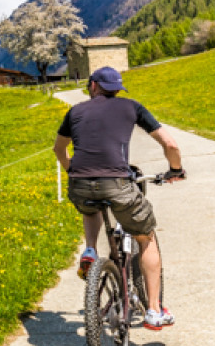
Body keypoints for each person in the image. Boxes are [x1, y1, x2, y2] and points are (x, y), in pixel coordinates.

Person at [53, 66, 185, 330]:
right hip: (117, 183)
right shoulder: (132, 107)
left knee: (90, 207)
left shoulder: (75, 111)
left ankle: (90, 249)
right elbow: (170, 145)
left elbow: (59, 149)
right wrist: (175, 170)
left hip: (80, 184)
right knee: (145, 237)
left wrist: (74, 171)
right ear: (117, 89)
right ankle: (154, 311)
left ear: (92, 86)